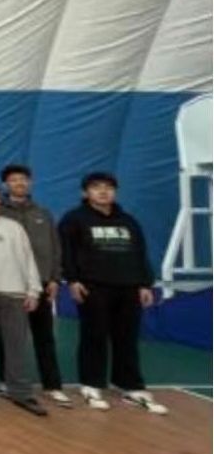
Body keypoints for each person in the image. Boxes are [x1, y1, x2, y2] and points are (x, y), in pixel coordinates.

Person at [58, 172, 167, 413]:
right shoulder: (74, 219)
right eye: (96, 187)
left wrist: (145, 283)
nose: (103, 191)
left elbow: (139, 253)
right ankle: (91, 384)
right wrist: (72, 280)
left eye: (108, 187)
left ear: (115, 192)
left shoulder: (128, 221)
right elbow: (66, 251)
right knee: (94, 336)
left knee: (127, 337)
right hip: (93, 286)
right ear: (85, 193)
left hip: (128, 287)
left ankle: (129, 385)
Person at [0, 181, 48, 416]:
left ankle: (21, 392)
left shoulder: (14, 227)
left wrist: (33, 290)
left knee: (17, 345)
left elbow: (28, 258)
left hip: (15, 293)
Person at [0, 164, 69, 405]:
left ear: (30, 183)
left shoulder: (43, 213)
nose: (19, 183)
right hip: (9, 284)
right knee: (9, 337)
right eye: (14, 180)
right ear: (6, 184)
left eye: (23, 179)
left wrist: (55, 278)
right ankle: (7, 382)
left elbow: (55, 247)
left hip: (40, 284)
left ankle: (52, 385)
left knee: (44, 336)